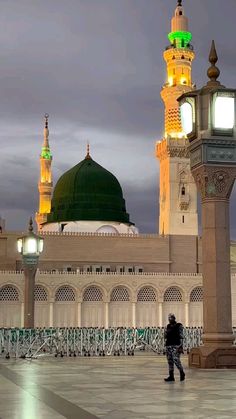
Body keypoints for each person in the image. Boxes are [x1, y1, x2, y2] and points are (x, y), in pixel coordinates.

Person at [164, 313, 185, 382]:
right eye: (169, 318)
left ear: (174, 318)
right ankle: (171, 376)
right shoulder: (168, 326)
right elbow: (165, 336)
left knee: (176, 360)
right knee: (170, 361)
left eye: (171, 318)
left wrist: (181, 346)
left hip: (176, 345)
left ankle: (182, 373)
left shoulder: (179, 325)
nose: (170, 319)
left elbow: (182, 337)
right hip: (168, 345)